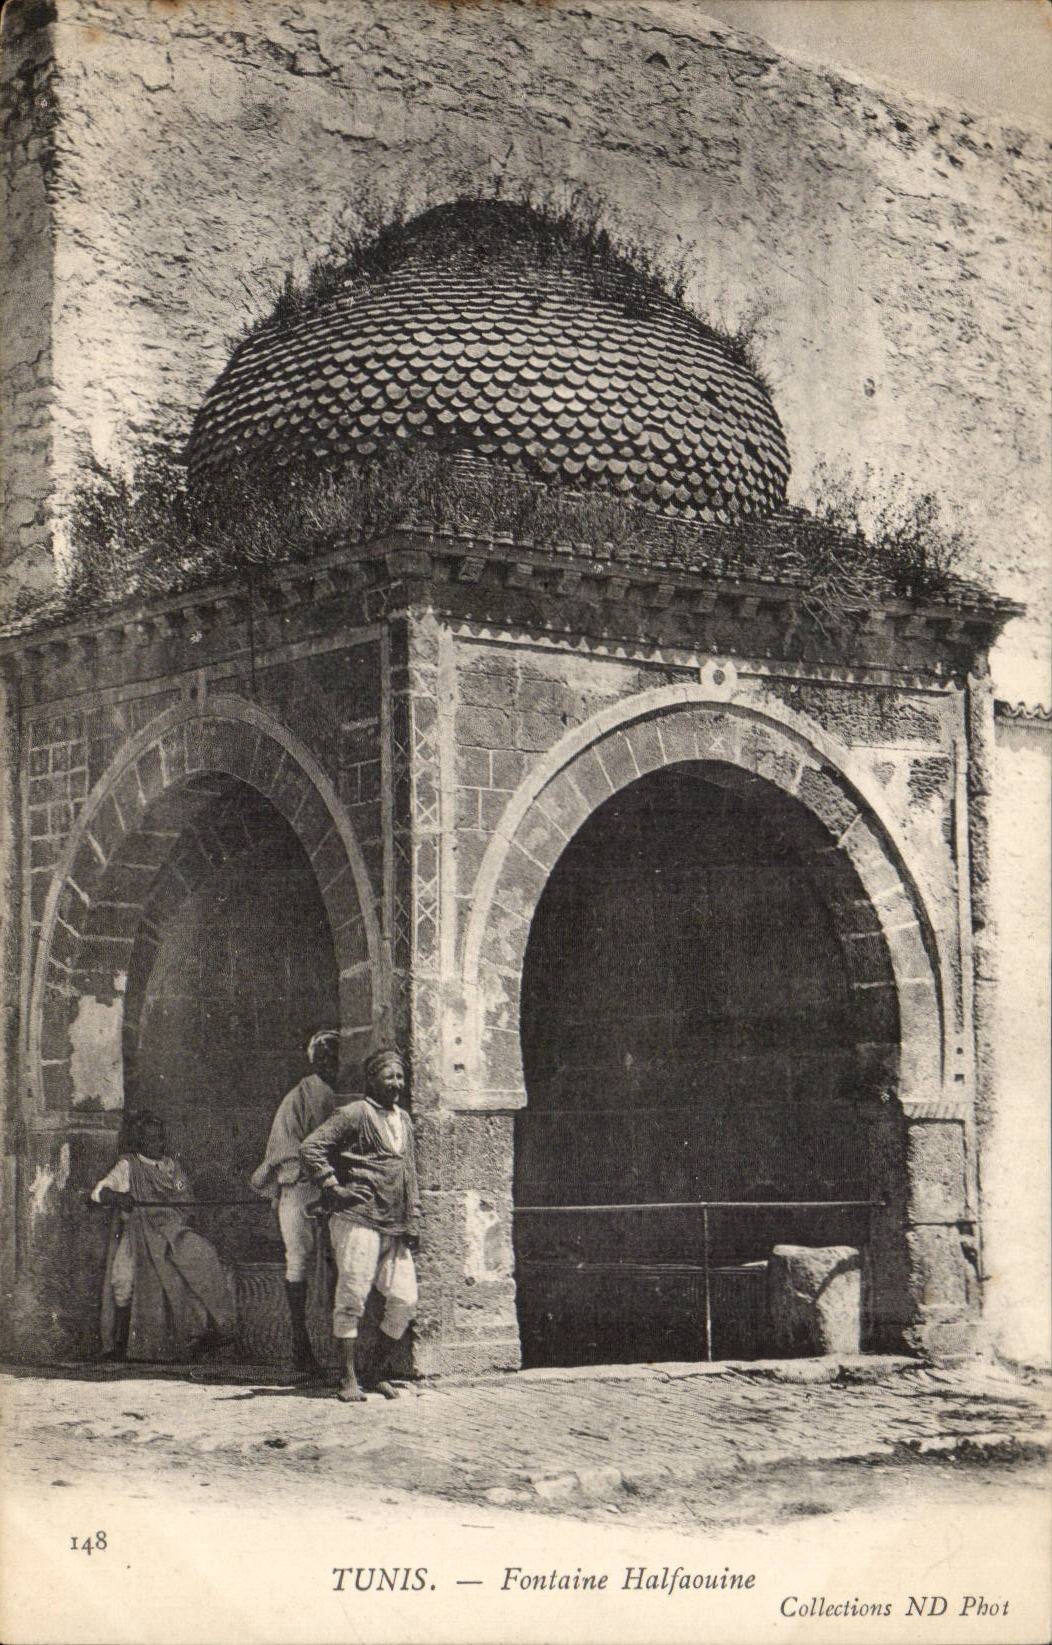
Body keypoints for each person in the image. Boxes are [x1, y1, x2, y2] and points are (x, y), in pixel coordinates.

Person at [300, 1047, 420, 1402]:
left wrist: (413, 1219)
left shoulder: (404, 1120)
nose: (396, 1084)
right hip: (357, 1221)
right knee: (351, 1299)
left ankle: (375, 1371)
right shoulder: (354, 1113)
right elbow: (311, 1148)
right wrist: (334, 1188)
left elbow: (409, 1171)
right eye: (389, 1077)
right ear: (372, 1080)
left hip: (393, 1225)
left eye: (400, 1077)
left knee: (405, 1299)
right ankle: (348, 1379)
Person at [90, 1110, 234, 1363]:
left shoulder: (172, 1167)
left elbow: (184, 1196)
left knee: (204, 1256)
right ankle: (120, 1345)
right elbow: (99, 1192)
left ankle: (214, 1328)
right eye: (152, 1139)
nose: (159, 1144)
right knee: (122, 1280)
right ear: (141, 1141)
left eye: (160, 1138)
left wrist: (185, 1216)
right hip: (139, 1233)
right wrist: (118, 1196)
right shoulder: (128, 1166)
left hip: (173, 1231)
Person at [249, 1029, 341, 1377]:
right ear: (314, 1060)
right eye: (323, 1056)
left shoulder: (342, 1094)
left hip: (336, 1190)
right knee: (299, 1261)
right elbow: (285, 1149)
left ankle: (341, 1350)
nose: (330, 1061)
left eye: (335, 1055)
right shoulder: (300, 1097)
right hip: (301, 1188)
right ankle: (301, 1346)